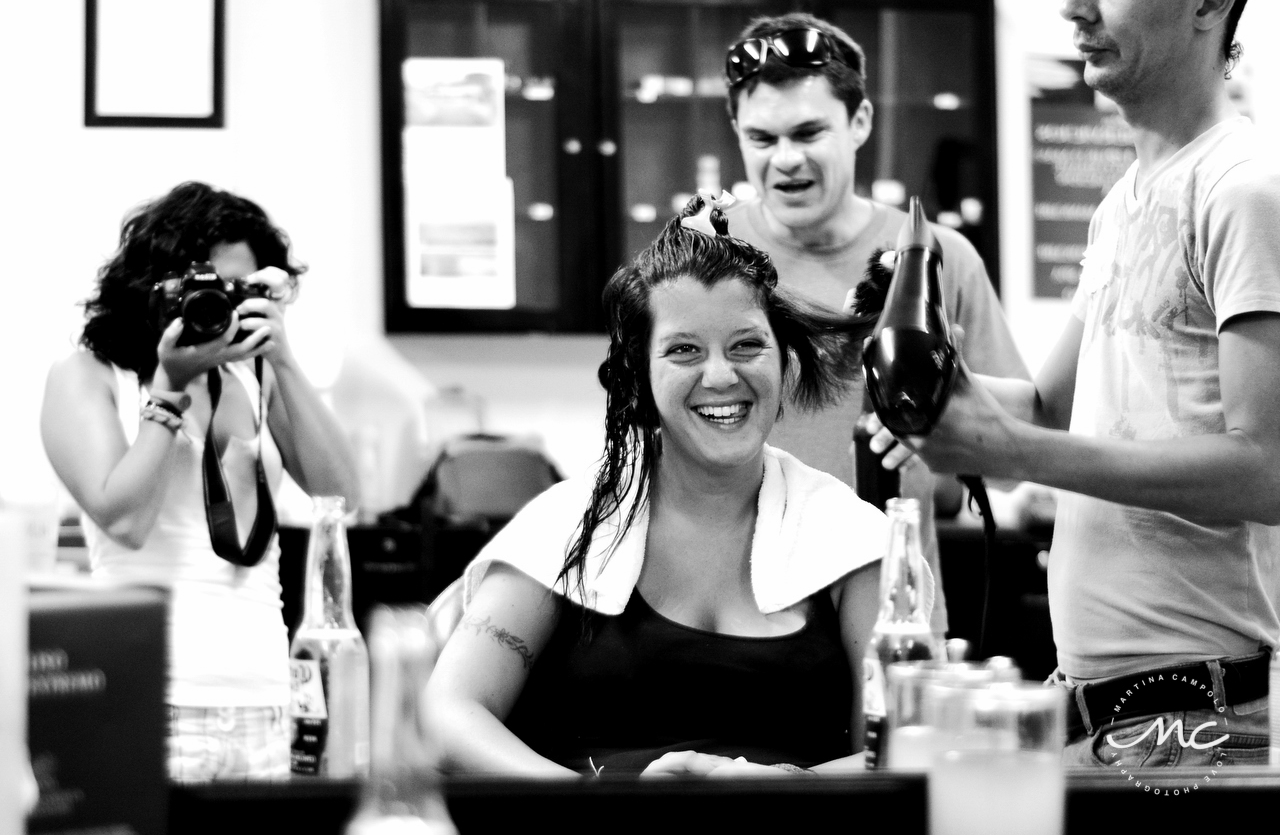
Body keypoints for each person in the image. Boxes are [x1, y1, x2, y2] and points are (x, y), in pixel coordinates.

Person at [899, 0, 1278, 767]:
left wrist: (1014, 451)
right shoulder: (1122, 204)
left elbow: (1267, 467)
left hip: (1202, 714)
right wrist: (922, 387)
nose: (1073, 7)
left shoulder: (1244, 189)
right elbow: (1044, 407)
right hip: (1098, 708)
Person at [424, 194, 923, 777]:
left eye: (747, 345)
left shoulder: (852, 539)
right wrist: (602, 803)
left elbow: (911, 747)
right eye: (684, 350)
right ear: (639, 373)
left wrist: (786, 787)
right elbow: (449, 712)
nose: (721, 376)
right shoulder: (567, 526)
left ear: (783, 360)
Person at [721, 12, 1030, 639]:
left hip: (889, 609)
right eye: (762, 138)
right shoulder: (705, 254)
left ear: (859, 122)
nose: (786, 160)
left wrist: (954, 409)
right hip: (727, 610)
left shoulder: (932, 258)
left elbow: (1011, 456)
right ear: (735, 132)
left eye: (809, 133)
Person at [40, 181, 359, 783]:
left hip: (268, 703)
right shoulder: (89, 375)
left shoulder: (254, 375)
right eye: (204, 287)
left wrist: (283, 357)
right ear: (152, 285)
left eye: (239, 290)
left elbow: (339, 498)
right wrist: (169, 388)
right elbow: (125, 520)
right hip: (152, 700)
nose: (220, 306)